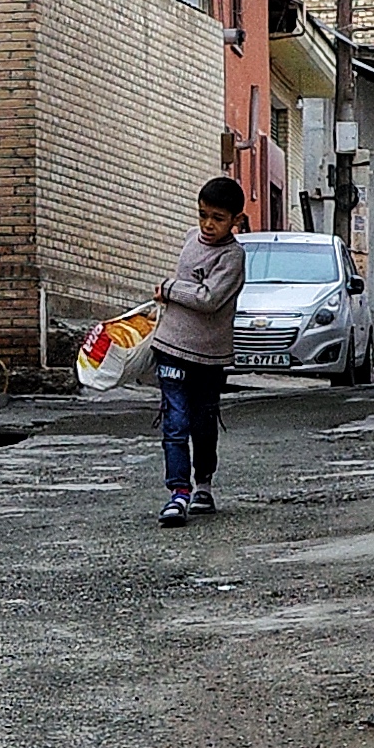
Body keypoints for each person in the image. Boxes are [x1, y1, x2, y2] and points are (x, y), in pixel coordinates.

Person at [149, 177, 248, 528]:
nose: (208, 224)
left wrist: (171, 288)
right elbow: (188, 292)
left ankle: (203, 482)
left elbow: (208, 299)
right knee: (175, 422)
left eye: (218, 218)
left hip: (209, 357)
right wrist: (171, 295)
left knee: (203, 421)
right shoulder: (191, 239)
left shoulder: (233, 256)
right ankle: (178, 492)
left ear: (236, 219)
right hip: (171, 347)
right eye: (203, 214)